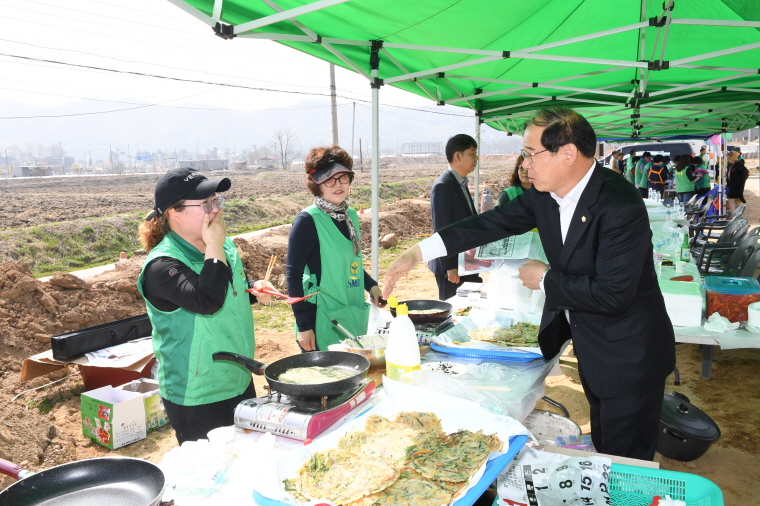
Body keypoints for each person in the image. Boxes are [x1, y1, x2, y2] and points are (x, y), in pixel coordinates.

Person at [383, 107, 675, 461]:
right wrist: (417, 252)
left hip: (630, 355)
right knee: (605, 448)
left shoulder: (618, 204)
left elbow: (612, 295)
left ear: (567, 153)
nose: (525, 165)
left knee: (626, 462)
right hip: (595, 346)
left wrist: (546, 279)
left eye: (531, 153)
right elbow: (489, 223)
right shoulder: (546, 195)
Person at [137, 168, 273, 445]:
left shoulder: (224, 247)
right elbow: (206, 302)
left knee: (244, 458)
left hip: (236, 374)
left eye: (216, 201)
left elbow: (225, 289)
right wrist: (214, 244)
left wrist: (252, 290)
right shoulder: (163, 265)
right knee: (208, 476)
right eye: (206, 204)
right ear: (175, 212)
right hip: (196, 391)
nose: (215, 210)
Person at [286, 145, 383, 352]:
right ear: (317, 184)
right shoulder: (307, 221)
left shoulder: (351, 216)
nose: (337, 184)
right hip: (321, 318)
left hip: (351, 312)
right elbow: (293, 276)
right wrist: (304, 326)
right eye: (329, 179)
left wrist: (371, 285)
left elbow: (350, 262)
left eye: (343, 177)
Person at [429, 133, 482, 300]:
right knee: (454, 312)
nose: (476, 158)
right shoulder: (443, 186)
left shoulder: (459, 182)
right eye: (472, 153)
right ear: (458, 155)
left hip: (465, 263)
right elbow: (442, 229)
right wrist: (450, 266)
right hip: (452, 268)